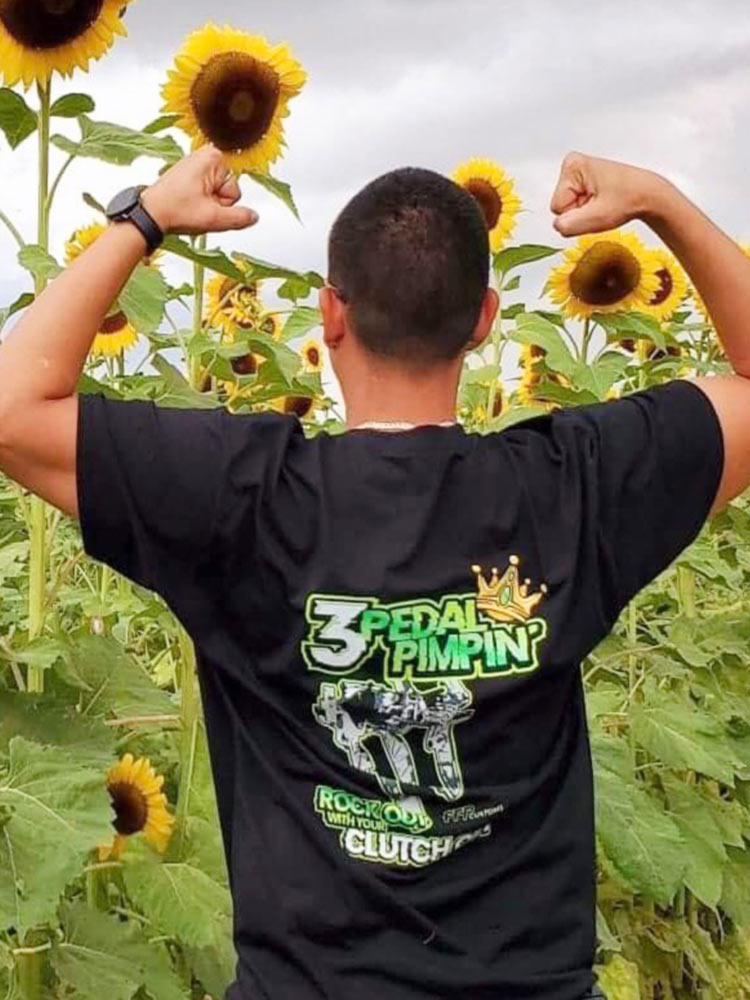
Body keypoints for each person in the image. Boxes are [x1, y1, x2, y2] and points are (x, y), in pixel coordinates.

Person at [0, 144, 748, 1000]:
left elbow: (13, 406)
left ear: (330, 316)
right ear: (485, 320)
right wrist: (662, 201)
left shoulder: (238, 496)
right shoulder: (574, 488)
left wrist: (148, 216)